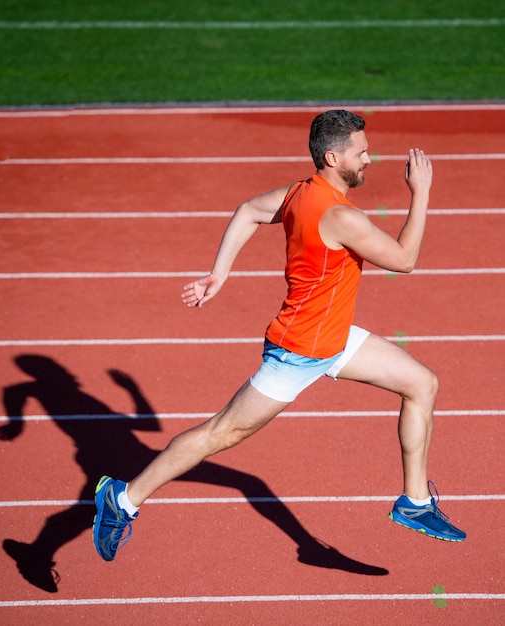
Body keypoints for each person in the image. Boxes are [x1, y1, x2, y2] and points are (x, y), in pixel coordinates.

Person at [92, 109, 466, 562]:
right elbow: (405, 260)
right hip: (300, 350)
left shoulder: (298, 194)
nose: (370, 159)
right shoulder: (341, 217)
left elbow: (248, 210)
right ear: (333, 156)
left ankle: (415, 503)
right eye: (361, 152)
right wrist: (421, 193)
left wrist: (218, 274)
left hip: (332, 338)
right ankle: (123, 498)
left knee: (421, 384)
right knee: (219, 433)